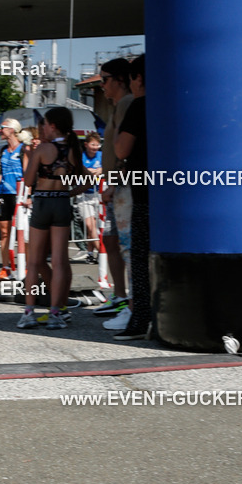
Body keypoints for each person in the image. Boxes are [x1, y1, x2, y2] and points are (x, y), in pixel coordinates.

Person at [18, 107, 89, 330]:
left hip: (42, 202)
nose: (42, 128)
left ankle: (29, 313)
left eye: (45, 124)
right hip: (61, 202)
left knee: (33, 261)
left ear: (53, 126)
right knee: (59, 261)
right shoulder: (72, 150)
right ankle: (56, 313)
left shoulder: (43, 149)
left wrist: (31, 156)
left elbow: (28, 181)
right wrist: (68, 193)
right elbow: (85, 180)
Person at [113, 54, 151, 340]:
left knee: (138, 256)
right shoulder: (169, 102)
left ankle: (140, 319)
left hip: (143, 193)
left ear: (138, 79)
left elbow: (122, 150)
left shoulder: (139, 105)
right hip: (172, 189)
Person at [96, 58, 134, 328]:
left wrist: (112, 183)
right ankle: (121, 295)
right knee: (111, 240)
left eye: (104, 80)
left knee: (126, 244)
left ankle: (132, 303)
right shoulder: (116, 106)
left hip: (121, 186)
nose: (101, 86)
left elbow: (125, 151)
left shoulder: (126, 104)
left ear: (120, 79)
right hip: (114, 185)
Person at [0, 118, 27, 280]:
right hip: (4, 194)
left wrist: (28, 195)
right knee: (4, 232)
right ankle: (5, 267)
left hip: (19, 195)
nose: (0, 130)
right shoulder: (3, 150)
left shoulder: (24, 149)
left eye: (2, 128)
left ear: (11, 130)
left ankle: (25, 266)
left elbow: (27, 172)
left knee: (22, 234)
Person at [78, 131, 103, 263]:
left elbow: (106, 168)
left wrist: (100, 170)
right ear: (86, 145)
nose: (95, 148)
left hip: (98, 194)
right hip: (84, 195)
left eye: (97, 145)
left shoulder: (101, 155)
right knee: (89, 225)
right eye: (93, 145)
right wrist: (92, 172)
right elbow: (80, 170)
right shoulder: (81, 157)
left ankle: (89, 253)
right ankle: (102, 252)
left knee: (95, 227)